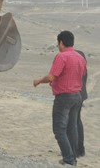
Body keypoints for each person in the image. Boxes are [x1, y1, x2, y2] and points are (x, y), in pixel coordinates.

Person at [33, 30, 86, 166]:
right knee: (72, 127)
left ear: (61, 43)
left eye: (58, 43)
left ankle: (68, 159)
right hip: (77, 96)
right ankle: (73, 157)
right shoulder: (80, 57)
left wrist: (39, 80)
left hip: (64, 97)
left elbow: (51, 76)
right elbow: (77, 75)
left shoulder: (61, 56)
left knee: (59, 129)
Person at [71, 50, 88, 158]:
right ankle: (80, 149)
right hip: (81, 94)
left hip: (74, 94)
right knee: (77, 121)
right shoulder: (82, 59)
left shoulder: (72, 60)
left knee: (72, 122)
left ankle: (74, 150)